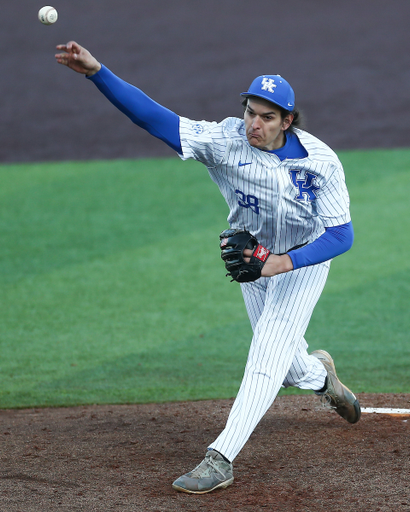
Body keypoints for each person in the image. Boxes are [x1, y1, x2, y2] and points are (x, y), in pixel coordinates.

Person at [55, 41, 361, 495]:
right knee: (290, 368)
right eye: (250, 112)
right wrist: (97, 72)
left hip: (303, 258)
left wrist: (284, 262)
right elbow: (154, 119)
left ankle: (220, 458)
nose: (254, 124)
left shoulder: (320, 163)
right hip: (251, 261)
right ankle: (323, 378)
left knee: (265, 357)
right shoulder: (224, 141)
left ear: (288, 121)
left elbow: (341, 236)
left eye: (267, 117)